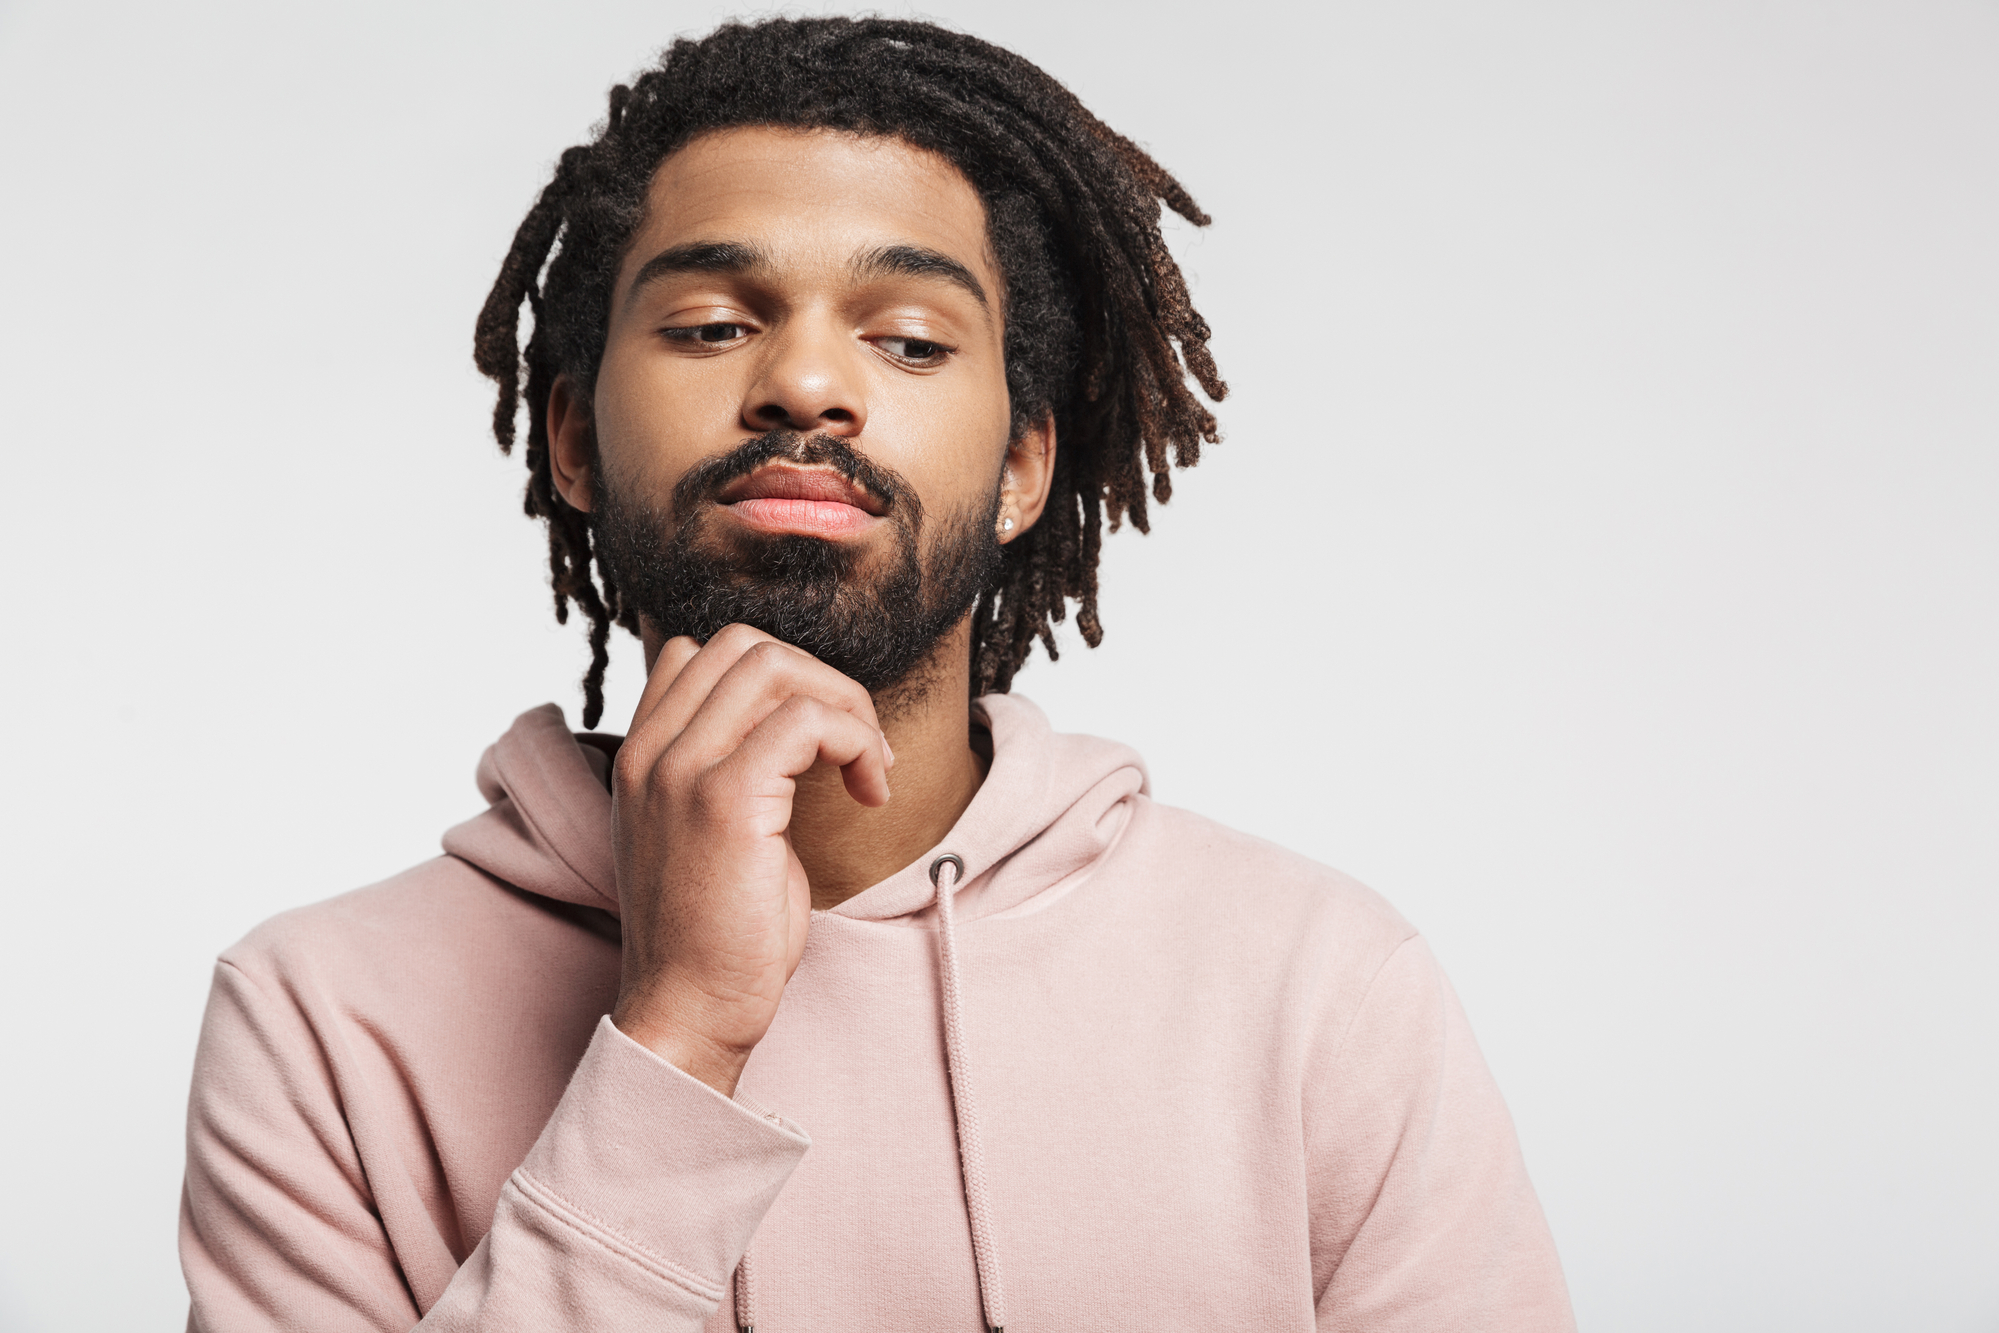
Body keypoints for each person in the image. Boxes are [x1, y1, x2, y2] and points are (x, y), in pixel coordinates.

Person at [178, 16, 1574, 1332]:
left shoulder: (1318, 987)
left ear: (1025, 467)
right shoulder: (319, 1016)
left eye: (907, 339)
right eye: (714, 323)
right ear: (574, 440)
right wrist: (675, 1040)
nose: (804, 384)